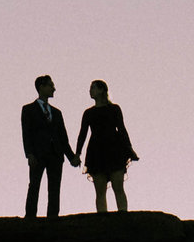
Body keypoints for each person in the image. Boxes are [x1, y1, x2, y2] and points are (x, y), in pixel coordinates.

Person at [74, 80, 139, 213]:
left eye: (93, 88)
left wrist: (129, 148)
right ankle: (102, 218)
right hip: (96, 151)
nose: (90, 90)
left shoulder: (114, 109)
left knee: (118, 187)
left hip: (114, 149)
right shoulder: (88, 113)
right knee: (100, 191)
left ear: (102, 90)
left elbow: (121, 129)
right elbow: (82, 134)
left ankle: (123, 214)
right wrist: (77, 153)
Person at [20, 75, 77, 218]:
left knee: (54, 187)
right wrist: (30, 154)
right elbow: (26, 133)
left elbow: (63, 138)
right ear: (41, 87)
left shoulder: (57, 113)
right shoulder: (28, 110)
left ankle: (53, 216)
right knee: (34, 185)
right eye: (51, 85)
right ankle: (30, 216)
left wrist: (71, 157)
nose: (54, 88)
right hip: (38, 154)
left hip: (56, 154)